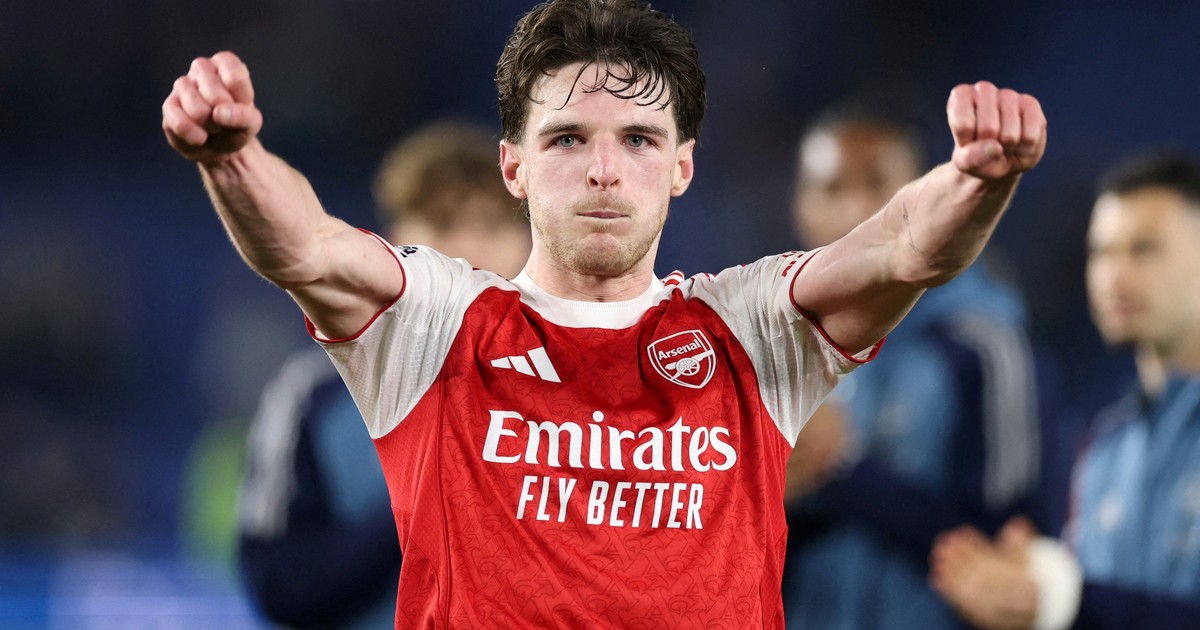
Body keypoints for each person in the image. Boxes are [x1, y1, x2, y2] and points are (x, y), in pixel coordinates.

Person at [160, 0, 1047, 625]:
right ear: (514, 166)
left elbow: (905, 248)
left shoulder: (749, 329)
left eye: (639, 140)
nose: (603, 170)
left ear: (682, 166)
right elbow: (307, 248)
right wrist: (232, 158)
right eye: (567, 138)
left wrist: (976, 178)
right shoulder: (437, 324)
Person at [236, 120, 531, 628]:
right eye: (441, 223)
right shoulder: (318, 392)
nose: (468, 248)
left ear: (529, 241)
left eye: (491, 225)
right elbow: (281, 586)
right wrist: (426, 499)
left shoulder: (589, 385)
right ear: (396, 241)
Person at [780, 93, 1052, 630]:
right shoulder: (780, 350)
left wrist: (840, 470)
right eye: (831, 189)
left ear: (926, 194)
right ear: (800, 206)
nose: (854, 211)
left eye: (877, 184)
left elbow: (1011, 551)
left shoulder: (984, 348)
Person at [929, 152, 1200, 630]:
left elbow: (1082, 604)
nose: (1114, 275)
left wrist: (1065, 601)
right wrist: (1032, 584)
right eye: (1102, 252)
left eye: (1144, 249)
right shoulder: (1103, 446)